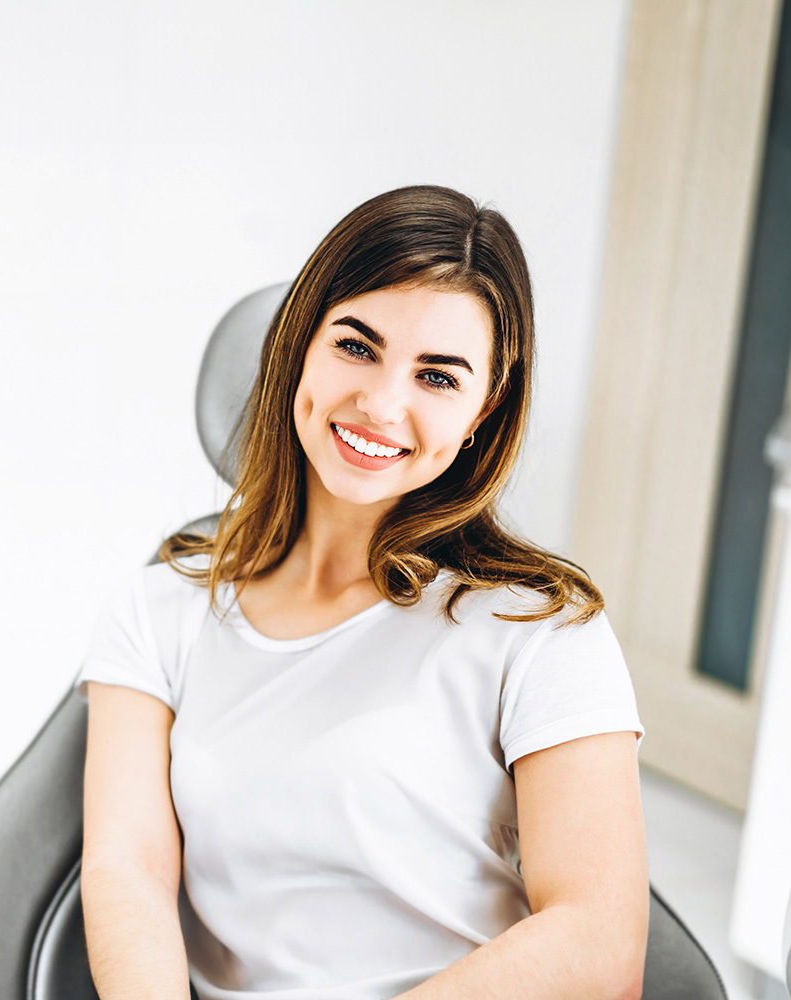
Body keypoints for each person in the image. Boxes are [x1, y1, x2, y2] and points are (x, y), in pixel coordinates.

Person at [74, 185, 648, 1000]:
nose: (382, 403)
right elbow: (125, 869)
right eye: (356, 345)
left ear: (484, 412)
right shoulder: (160, 606)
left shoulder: (541, 630)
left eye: (438, 377)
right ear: (299, 344)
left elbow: (600, 946)